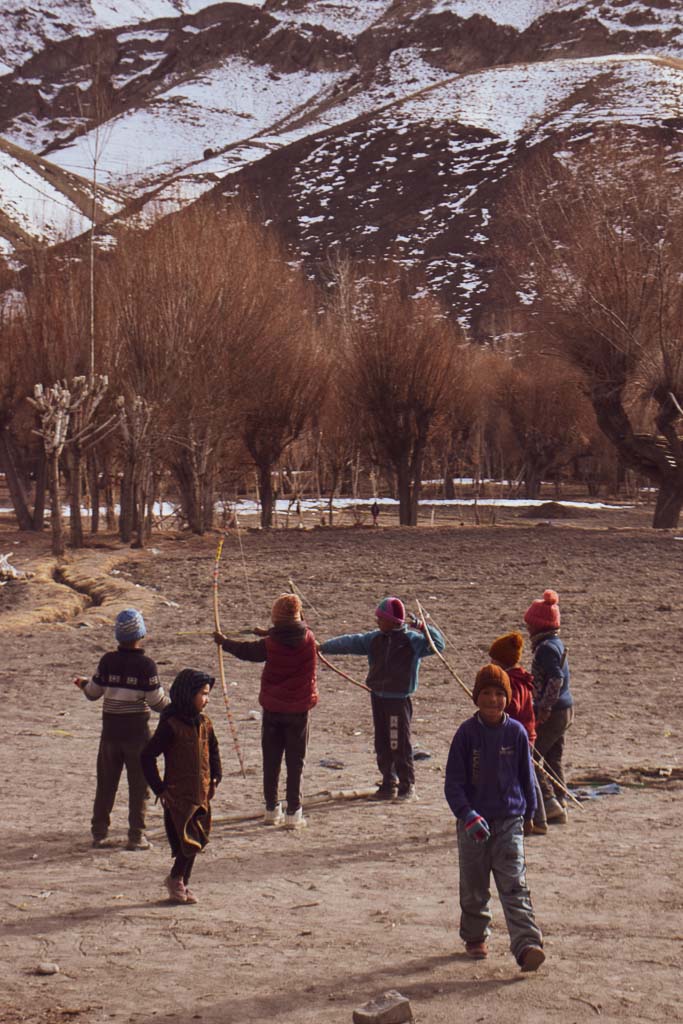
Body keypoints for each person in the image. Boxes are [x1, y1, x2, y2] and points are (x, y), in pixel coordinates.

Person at [444, 664, 545, 972]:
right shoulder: (466, 733)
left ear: (508, 698)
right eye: (486, 693)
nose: (492, 700)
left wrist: (530, 813)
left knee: (515, 883)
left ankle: (526, 944)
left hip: (510, 820)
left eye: (499, 694)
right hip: (473, 824)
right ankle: (475, 936)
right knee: (474, 885)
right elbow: (453, 783)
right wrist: (467, 814)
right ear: (476, 697)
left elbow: (527, 778)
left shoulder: (515, 732)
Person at [319, 597, 444, 801]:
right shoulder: (374, 639)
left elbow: (438, 645)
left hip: (398, 700)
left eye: (381, 618)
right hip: (378, 697)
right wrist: (324, 646)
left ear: (393, 621)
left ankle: (407, 786)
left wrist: (422, 627)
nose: (377, 622)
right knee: (382, 742)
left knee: (399, 743)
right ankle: (388, 783)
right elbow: (350, 642)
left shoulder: (413, 641)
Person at [214, 594, 317, 829]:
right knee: (295, 762)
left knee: (271, 761)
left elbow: (246, 651)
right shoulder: (309, 639)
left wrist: (224, 642)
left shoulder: (270, 644)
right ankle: (294, 812)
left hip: (273, 709)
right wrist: (269, 632)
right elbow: (295, 631)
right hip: (299, 710)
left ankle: (271, 809)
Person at [73, 608, 168, 850]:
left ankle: (99, 833)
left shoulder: (107, 661)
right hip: (138, 737)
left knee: (106, 784)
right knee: (139, 787)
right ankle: (136, 836)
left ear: (117, 636)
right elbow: (157, 703)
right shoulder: (147, 666)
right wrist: (179, 707)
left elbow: (93, 693)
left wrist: (83, 683)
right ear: (142, 634)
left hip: (110, 736)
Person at [141, 669, 221, 905]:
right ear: (188, 694)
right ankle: (176, 878)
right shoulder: (172, 725)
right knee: (188, 841)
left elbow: (214, 750)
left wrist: (216, 776)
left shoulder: (205, 723)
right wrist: (160, 789)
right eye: (203, 694)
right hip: (178, 795)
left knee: (197, 840)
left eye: (208, 694)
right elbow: (147, 756)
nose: (206, 699)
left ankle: (182, 883)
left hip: (202, 793)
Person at [488, 631, 547, 835]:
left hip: (520, 737)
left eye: (494, 660)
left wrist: (494, 705)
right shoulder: (514, 678)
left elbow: (512, 708)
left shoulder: (514, 682)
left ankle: (538, 819)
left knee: (526, 776)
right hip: (519, 735)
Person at [523, 589, 574, 824]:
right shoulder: (556, 643)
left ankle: (550, 803)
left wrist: (544, 707)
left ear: (539, 626)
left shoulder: (545, 649)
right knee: (553, 757)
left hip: (554, 713)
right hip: (565, 710)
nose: (528, 629)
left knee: (531, 758)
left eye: (530, 625)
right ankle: (560, 799)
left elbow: (555, 679)